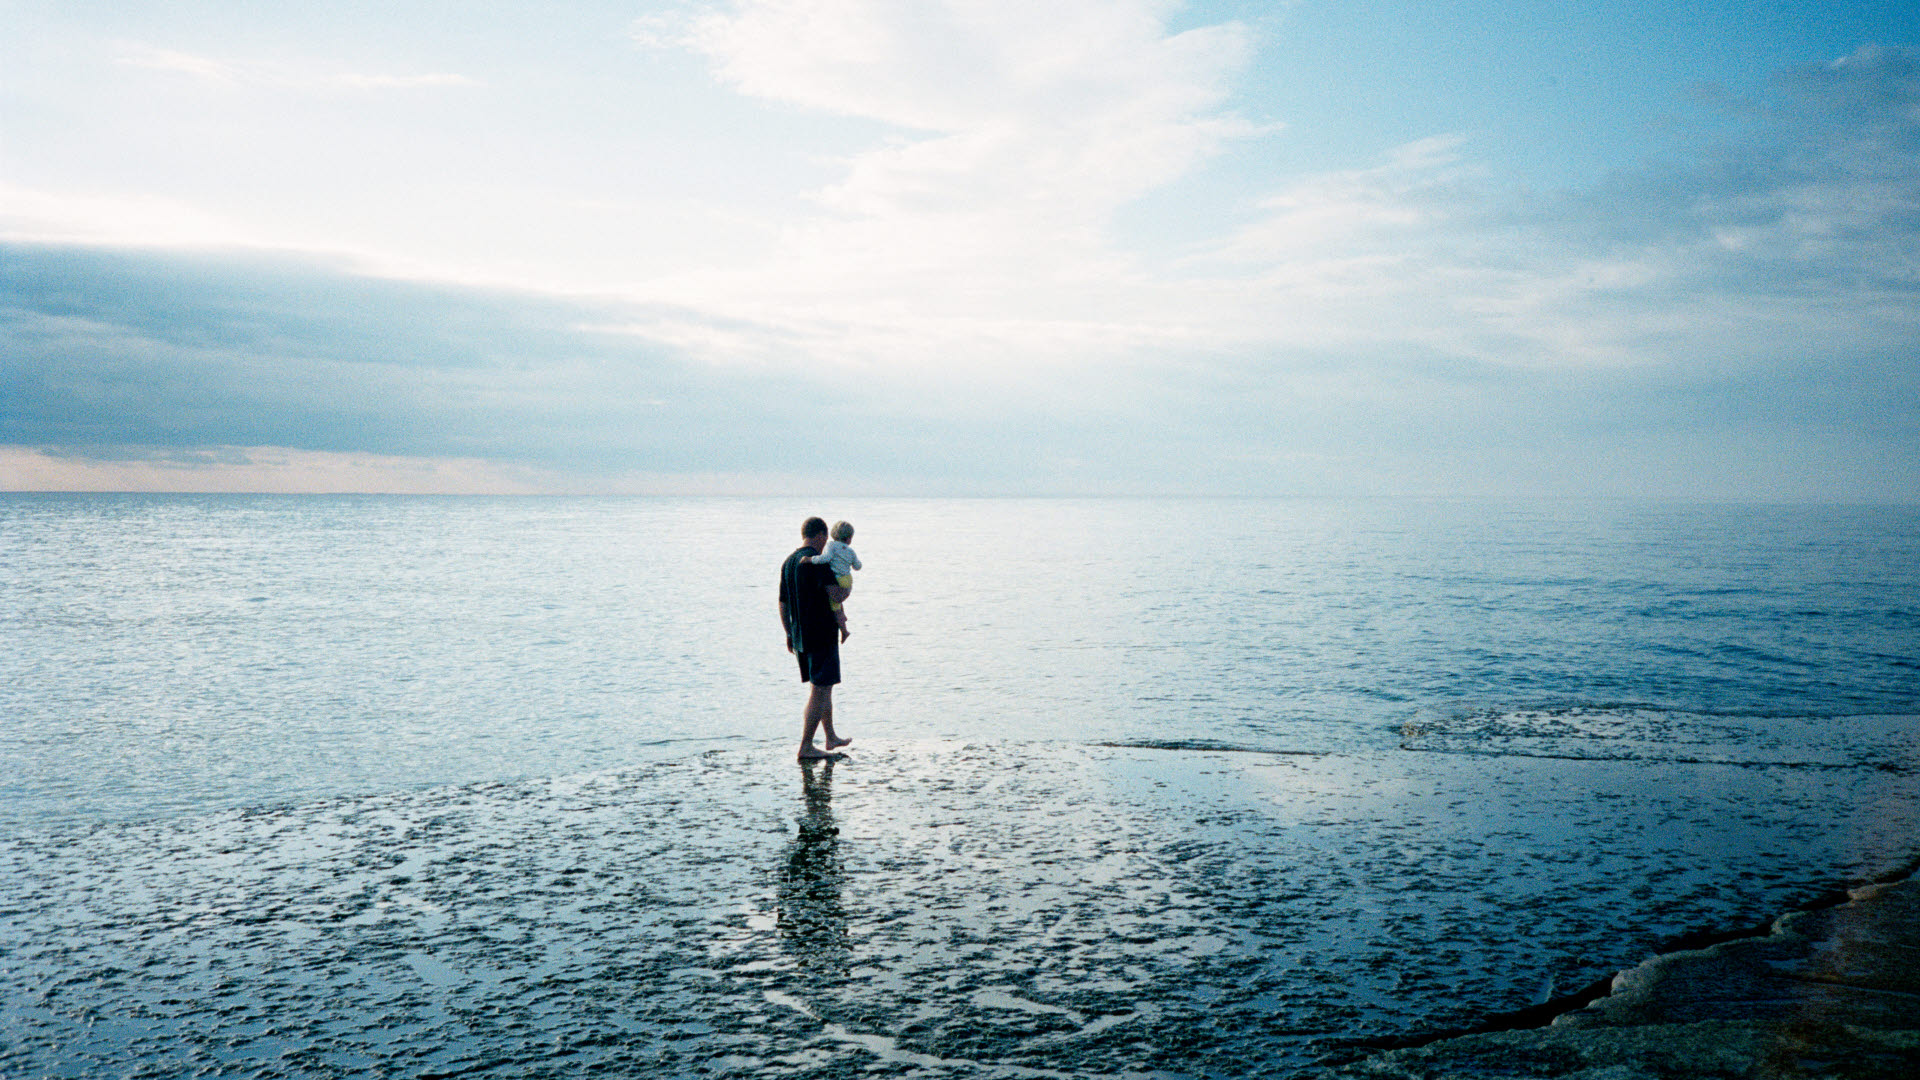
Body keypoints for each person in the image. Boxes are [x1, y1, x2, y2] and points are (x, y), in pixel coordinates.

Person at [780, 517, 852, 761]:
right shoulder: (819, 563)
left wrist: (788, 633)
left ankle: (830, 737)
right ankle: (806, 746)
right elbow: (836, 595)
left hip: (800, 636)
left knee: (822, 686)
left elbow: (782, 602)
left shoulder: (789, 562)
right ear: (821, 534)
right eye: (826, 539)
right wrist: (848, 588)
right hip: (820, 633)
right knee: (820, 690)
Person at [806, 520, 861, 641]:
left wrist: (810, 560)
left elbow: (825, 558)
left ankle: (844, 631)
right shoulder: (850, 551)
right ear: (849, 538)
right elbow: (857, 566)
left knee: (834, 606)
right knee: (838, 601)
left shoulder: (831, 545)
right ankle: (843, 616)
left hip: (838, 579)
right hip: (848, 580)